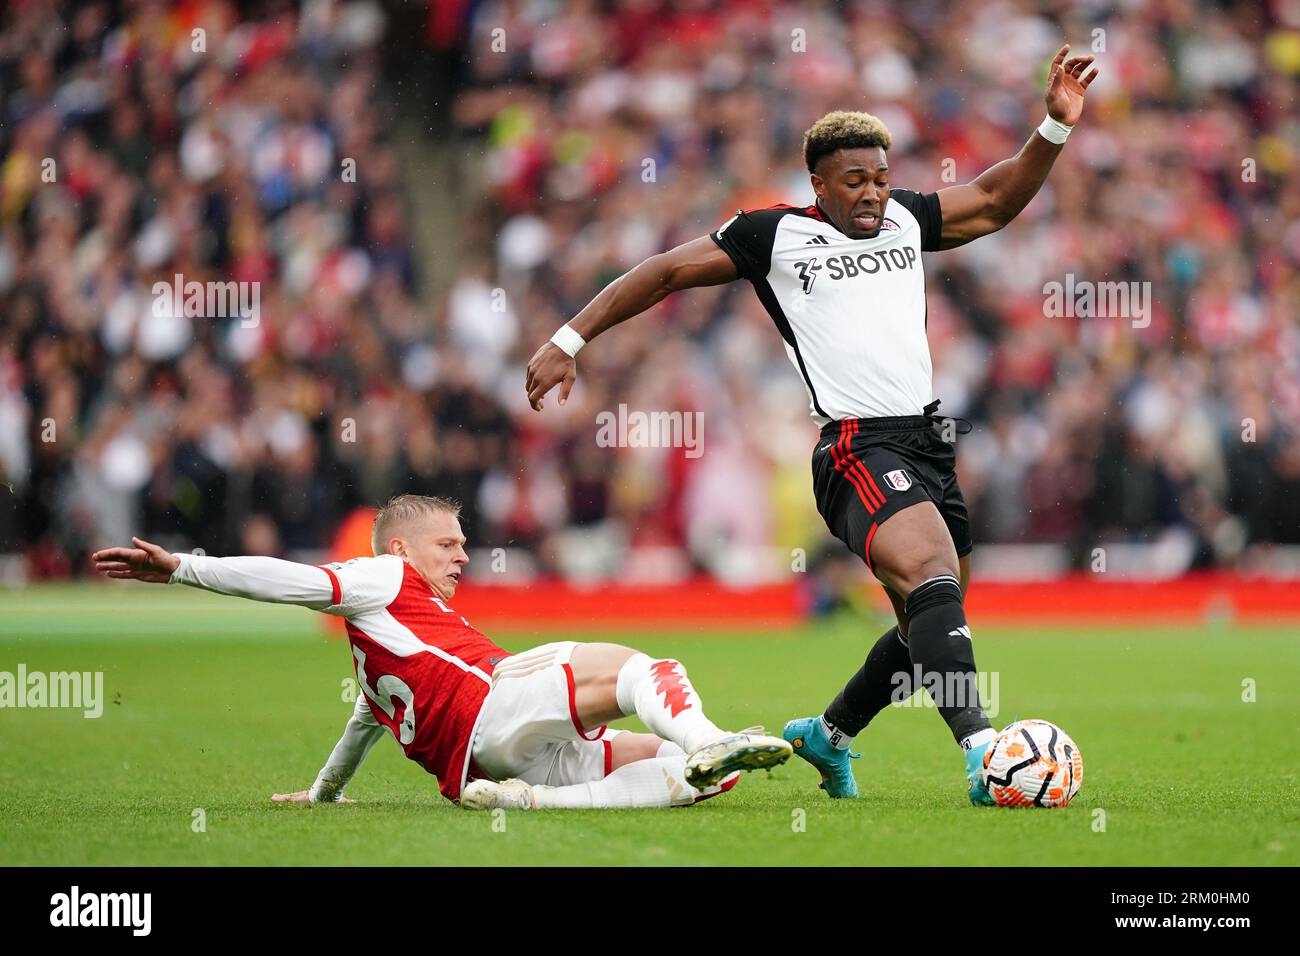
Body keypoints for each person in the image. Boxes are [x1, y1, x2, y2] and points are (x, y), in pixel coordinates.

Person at [524, 47, 1100, 804]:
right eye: (855, 180)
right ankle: (985, 754)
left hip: (927, 440)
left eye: (881, 179)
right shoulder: (775, 236)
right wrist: (570, 339)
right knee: (931, 572)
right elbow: (664, 270)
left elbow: (993, 201)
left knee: (927, 612)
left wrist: (1052, 129)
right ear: (819, 182)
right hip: (857, 444)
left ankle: (827, 737)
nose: (872, 193)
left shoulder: (905, 220)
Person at [90, 494, 791, 810]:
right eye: (448, 544)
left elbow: (357, 735)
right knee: (649, 669)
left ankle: (541, 801)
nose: (463, 555)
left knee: (700, 779)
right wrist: (185, 566)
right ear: (400, 548)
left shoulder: (379, 660)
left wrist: (320, 795)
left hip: (484, 765)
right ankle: (711, 736)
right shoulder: (383, 576)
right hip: (492, 700)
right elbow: (294, 582)